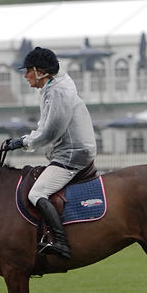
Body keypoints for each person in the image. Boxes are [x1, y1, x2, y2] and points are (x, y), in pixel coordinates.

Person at [5, 47, 97, 259]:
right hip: (67, 151)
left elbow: (50, 131)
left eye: (28, 71)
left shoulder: (57, 91)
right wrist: (25, 140)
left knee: (36, 193)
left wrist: (23, 142)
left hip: (73, 154)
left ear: (40, 71)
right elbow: (43, 126)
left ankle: (61, 242)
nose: (25, 75)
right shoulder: (50, 87)